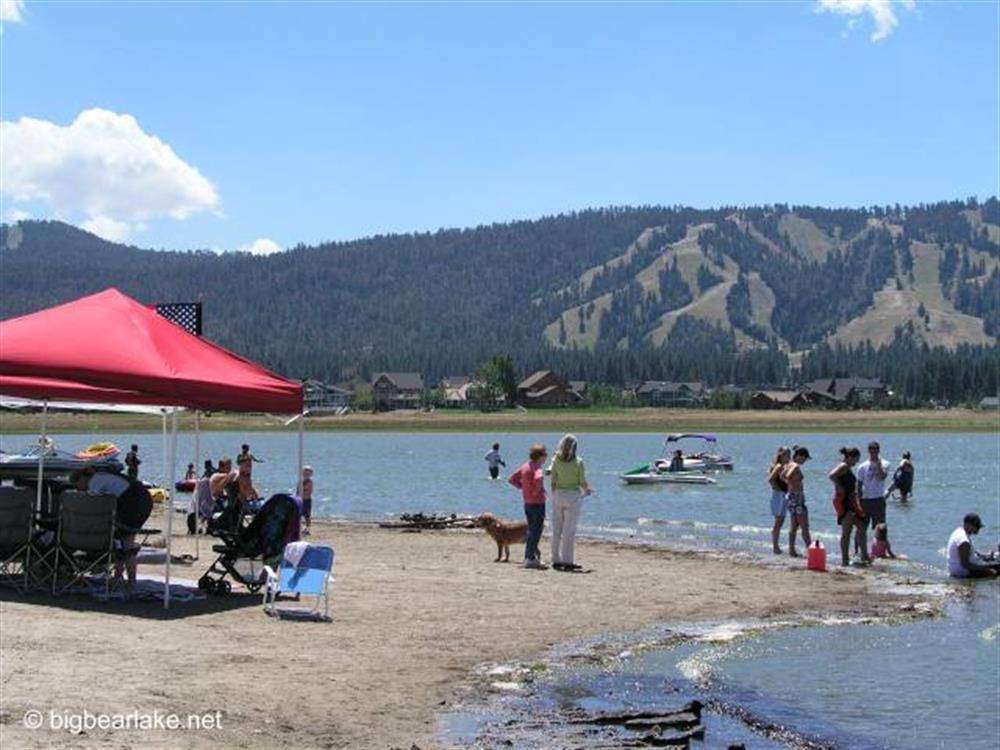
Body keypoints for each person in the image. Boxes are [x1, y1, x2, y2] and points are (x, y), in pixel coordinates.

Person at [70, 467, 153, 590]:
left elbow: (93, 506)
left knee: (126, 543)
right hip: (140, 498)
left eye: (77, 486)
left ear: (82, 479)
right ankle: (118, 577)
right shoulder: (101, 476)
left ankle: (130, 581)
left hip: (134, 501)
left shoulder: (94, 482)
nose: (78, 489)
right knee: (120, 541)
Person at [546, 434, 592, 572]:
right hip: (573, 496)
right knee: (569, 531)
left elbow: (553, 481)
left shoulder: (555, 460)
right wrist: (588, 490)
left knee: (556, 528)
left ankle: (555, 559)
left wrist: (554, 495)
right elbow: (582, 482)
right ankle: (567, 560)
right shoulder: (579, 462)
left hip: (558, 495)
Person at [508, 443, 548, 569]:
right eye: (545, 455)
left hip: (527, 503)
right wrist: (536, 491)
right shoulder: (537, 468)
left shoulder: (525, 466)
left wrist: (523, 488)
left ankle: (529, 556)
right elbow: (538, 478)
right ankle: (530, 558)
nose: (546, 457)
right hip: (537, 503)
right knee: (536, 531)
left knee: (531, 530)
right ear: (540, 456)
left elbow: (512, 479)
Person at [828, 447, 868, 566]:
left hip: (851, 501)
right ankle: (844, 560)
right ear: (850, 457)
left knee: (861, 525)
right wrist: (839, 485)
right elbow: (831, 475)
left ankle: (864, 556)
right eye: (856, 459)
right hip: (844, 502)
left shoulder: (847, 467)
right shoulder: (844, 466)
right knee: (847, 531)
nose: (857, 462)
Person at [947, 513, 1000, 578]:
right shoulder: (964, 541)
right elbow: (965, 565)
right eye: (977, 527)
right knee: (996, 569)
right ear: (968, 525)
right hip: (963, 573)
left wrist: (983, 556)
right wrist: (987, 570)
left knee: (994, 563)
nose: (978, 529)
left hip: (958, 569)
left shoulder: (958, 531)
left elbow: (967, 553)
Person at [856, 441, 890, 539]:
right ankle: (858, 550)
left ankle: (880, 549)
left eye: (875, 450)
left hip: (878, 499)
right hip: (865, 500)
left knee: (881, 528)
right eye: (871, 450)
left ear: (879, 450)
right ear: (868, 451)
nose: (873, 452)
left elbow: (882, 477)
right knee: (861, 527)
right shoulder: (862, 466)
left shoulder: (885, 463)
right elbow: (858, 485)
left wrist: (878, 465)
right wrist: (858, 502)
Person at [782, 446, 812, 557]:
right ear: (800, 456)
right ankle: (811, 550)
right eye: (804, 458)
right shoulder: (795, 465)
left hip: (791, 497)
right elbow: (788, 476)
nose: (805, 461)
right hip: (797, 497)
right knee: (804, 526)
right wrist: (792, 484)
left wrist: (790, 487)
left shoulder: (788, 464)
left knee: (794, 526)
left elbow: (782, 475)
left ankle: (792, 550)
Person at [767, 447, 791, 555]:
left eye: (789, 455)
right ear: (781, 455)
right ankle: (775, 547)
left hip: (780, 496)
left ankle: (776, 546)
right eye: (787, 455)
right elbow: (770, 479)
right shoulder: (779, 466)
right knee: (778, 522)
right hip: (779, 496)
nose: (789, 458)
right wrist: (780, 491)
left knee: (779, 521)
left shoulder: (782, 466)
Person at [299, 465, 314, 536]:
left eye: (308, 474)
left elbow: (307, 491)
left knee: (307, 515)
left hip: (306, 500)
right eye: (305, 474)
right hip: (300, 500)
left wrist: (303, 490)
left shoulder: (309, 482)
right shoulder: (301, 481)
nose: (306, 475)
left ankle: (308, 529)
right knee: (299, 514)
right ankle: (301, 528)